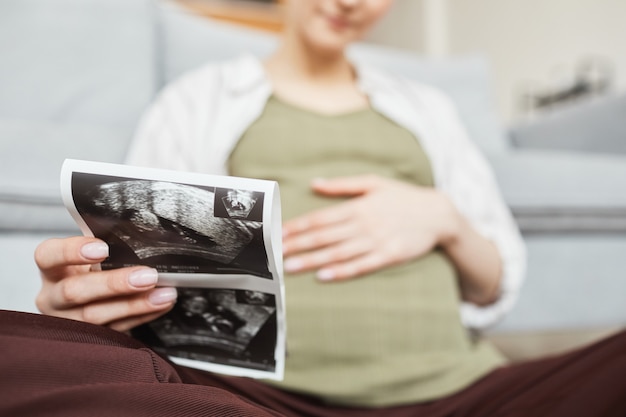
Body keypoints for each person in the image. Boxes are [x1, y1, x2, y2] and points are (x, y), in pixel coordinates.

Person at [19, 0, 625, 415]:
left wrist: (443, 216)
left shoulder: (428, 108)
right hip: (252, 398)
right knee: (25, 351)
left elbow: (496, 283)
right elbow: (142, 253)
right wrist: (98, 303)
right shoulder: (199, 98)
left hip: (465, 394)